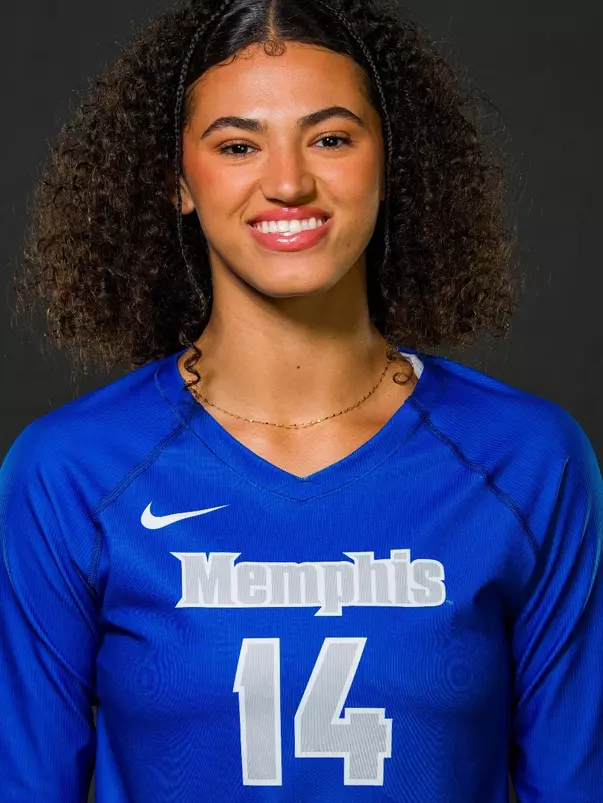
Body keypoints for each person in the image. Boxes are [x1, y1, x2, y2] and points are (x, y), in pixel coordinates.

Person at [1, 0, 601, 800]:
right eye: (238, 144)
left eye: (330, 138)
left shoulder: (527, 461)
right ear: (178, 180)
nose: (287, 182)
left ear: (386, 162)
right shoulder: (69, 473)